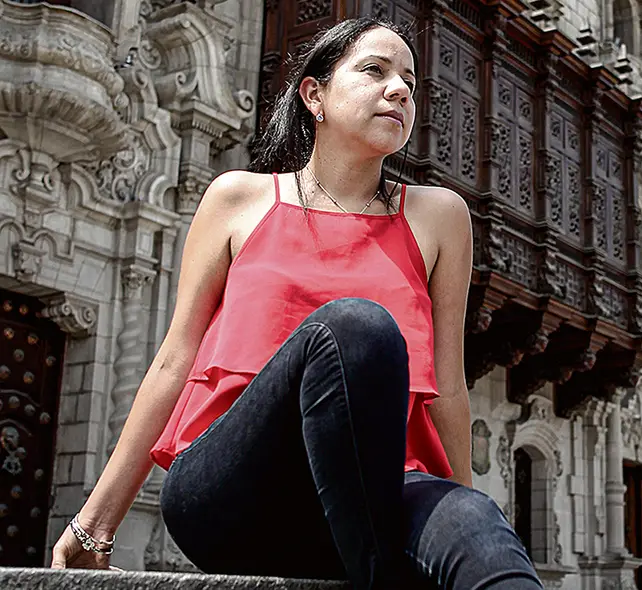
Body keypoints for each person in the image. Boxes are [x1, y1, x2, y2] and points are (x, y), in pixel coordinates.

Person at [50, 16, 542, 589]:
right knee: (355, 328)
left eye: (410, 79)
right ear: (315, 95)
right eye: (375, 71)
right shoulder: (238, 199)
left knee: (474, 520)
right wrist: (95, 524)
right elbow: (174, 359)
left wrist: (453, 514)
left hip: (381, 492)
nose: (401, 89)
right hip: (233, 493)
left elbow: (450, 389)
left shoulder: (439, 217)